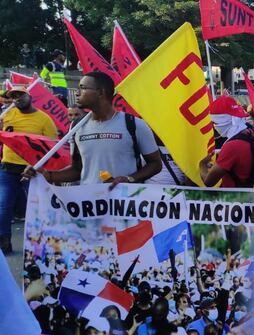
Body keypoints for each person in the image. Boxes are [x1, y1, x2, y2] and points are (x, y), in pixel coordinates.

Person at [24, 71, 162, 189]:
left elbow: (155, 164)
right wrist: (47, 175)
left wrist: (129, 179)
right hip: (90, 204)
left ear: (101, 92)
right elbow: (77, 170)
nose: (77, 93)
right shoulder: (76, 126)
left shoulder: (134, 124)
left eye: (82, 88)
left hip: (124, 204)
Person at [0, 85, 57, 253]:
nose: (17, 98)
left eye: (21, 95)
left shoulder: (44, 119)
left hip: (33, 171)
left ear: (30, 96)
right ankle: (4, 242)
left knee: (39, 208)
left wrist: (39, 166)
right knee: (3, 207)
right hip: (8, 169)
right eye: (14, 96)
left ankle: (42, 245)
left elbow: (52, 147)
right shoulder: (6, 115)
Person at [199, 96, 254, 189]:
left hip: (238, 195)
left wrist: (202, 164)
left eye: (215, 123)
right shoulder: (250, 131)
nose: (215, 126)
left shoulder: (233, 145)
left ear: (225, 121)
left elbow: (209, 181)